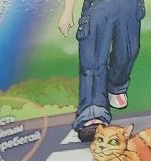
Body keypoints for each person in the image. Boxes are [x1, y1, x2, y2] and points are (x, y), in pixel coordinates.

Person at [61, 0, 146, 141]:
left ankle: (116, 85)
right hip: (98, 7)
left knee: (128, 52)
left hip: (130, 6)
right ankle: (92, 112)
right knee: (93, 60)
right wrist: (68, 10)